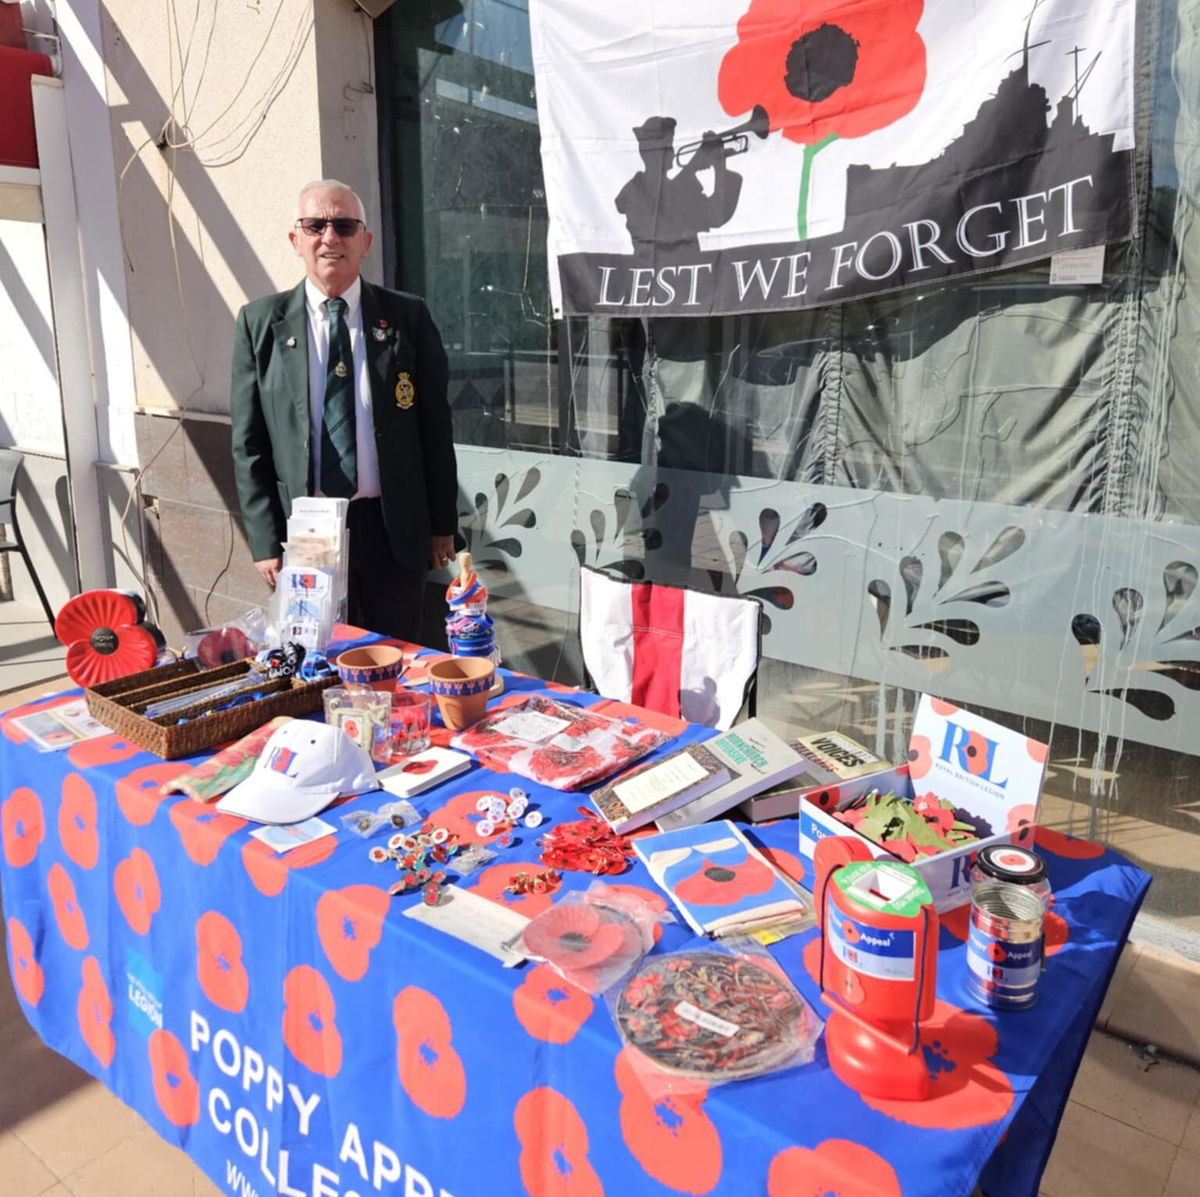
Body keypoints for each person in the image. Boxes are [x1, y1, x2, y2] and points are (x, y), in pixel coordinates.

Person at [230, 180, 458, 642]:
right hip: (308, 528)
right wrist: (263, 539)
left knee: (394, 656)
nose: (329, 237)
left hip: (392, 526)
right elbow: (248, 444)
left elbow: (435, 427)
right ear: (296, 240)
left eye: (344, 225)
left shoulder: (407, 317)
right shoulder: (260, 324)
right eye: (315, 225)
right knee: (315, 654)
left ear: (365, 241)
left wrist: (442, 525)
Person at [614, 116, 743, 258]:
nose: (673, 153)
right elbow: (666, 217)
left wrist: (719, 166)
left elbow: (716, 216)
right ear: (650, 154)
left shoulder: (680, 189)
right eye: (667, 148)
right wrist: (693, 166)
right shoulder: (634, 191)